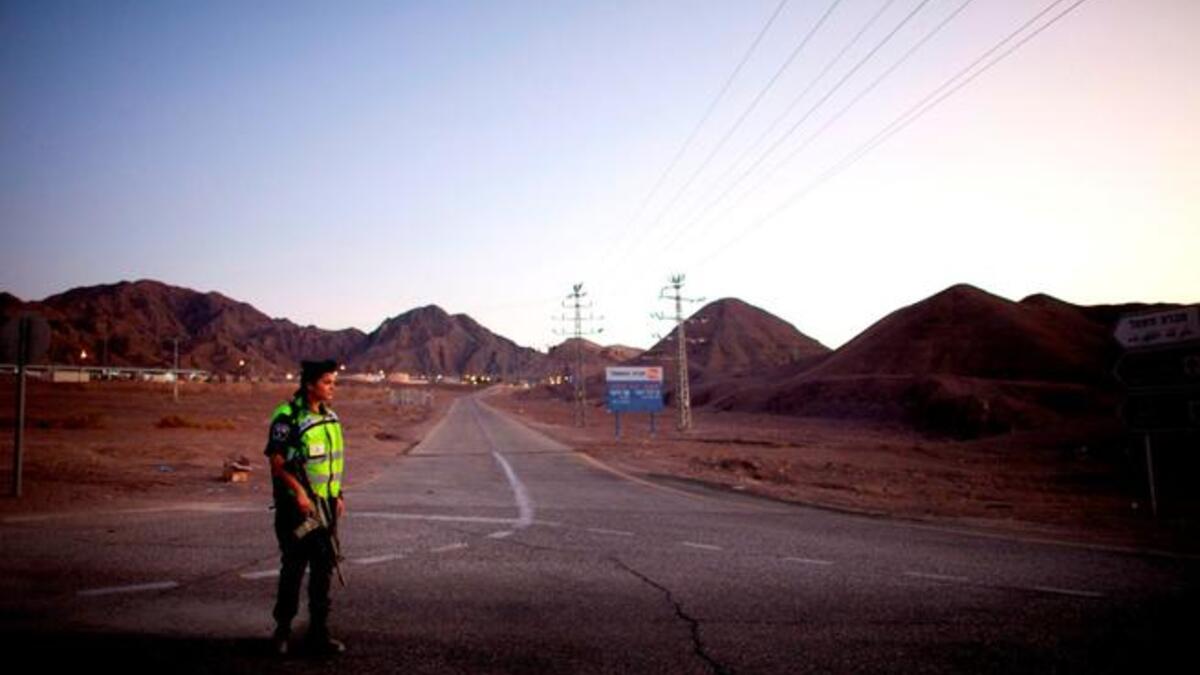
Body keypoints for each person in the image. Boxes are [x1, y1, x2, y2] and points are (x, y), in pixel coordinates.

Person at [264, 358, 347, 656]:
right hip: (295, 510)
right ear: (310, 385)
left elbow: (332, 464)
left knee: (323, 570)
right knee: (294, 568)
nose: (332, 388)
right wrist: (299, 493)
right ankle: (282, 632)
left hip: (325, 508)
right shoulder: (288, 417)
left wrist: (338, 496)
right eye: (327, 382)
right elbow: (277, 463)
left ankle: (318, 635)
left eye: (333, 382)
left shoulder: (331, 418)